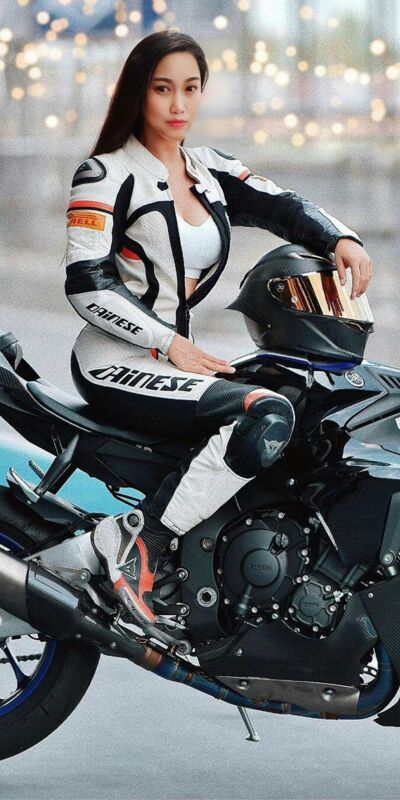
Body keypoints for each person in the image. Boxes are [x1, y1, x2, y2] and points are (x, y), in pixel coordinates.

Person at [63, 29, 372, 628]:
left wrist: (341, 238)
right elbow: (87, 284)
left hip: (175, 355)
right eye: (162, 89)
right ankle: (138, 542)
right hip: (115, 359)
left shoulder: (209, 170)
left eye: (190, 88)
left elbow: (284, 206)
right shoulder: (104, 174)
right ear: (137, 93)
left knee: (299, 398)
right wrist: (168, 342)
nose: (178, 104)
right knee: (264, 412)